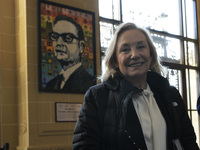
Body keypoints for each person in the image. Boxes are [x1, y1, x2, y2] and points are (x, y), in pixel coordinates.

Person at [72, 22, 199, 150]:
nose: (134, 55)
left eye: (141, 47)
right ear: (115, 60)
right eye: (125, 49)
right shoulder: (97, 97)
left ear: (151, 55)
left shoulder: (170, 94)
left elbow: (188, 141)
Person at [46, 15, 95, 93]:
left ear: (81, 46)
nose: (59, 43)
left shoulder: (90, 83)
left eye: (68, 38)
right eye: (55, 37)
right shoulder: (50, 84)